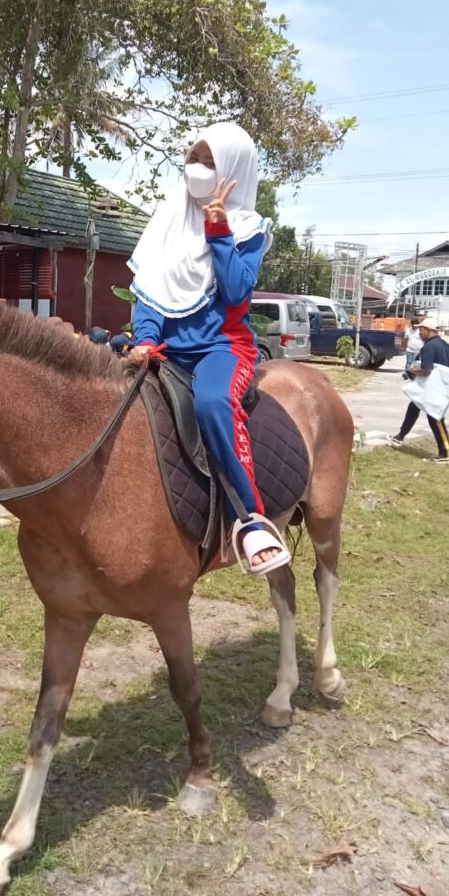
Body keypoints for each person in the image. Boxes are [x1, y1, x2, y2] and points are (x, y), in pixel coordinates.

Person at [126, 122, 289, 574]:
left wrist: (218, 227)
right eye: (193, 157)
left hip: (222, 349)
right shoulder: (167, 219)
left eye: (209, 161)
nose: (195, 168)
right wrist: (144, 339)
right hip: (166, 350)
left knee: (214, 402)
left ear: (234, 169)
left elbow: (237, 293)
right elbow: (151, 291)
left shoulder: (248, 227)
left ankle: (252, 519)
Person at [388, 317, 449, 464]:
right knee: (413, 408)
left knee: (436, 420)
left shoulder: (429, 347)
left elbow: (427, 369)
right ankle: (399, 437)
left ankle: (444, 454)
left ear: (429, 331)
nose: (419, 333)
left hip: (432, 389)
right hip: (439, 386)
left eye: (421, 330)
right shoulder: (446, 346)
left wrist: (412, 371)